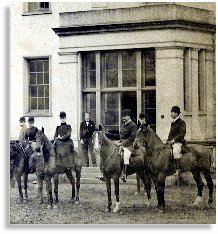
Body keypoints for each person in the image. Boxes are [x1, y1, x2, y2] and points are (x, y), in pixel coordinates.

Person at [167, 106, 187, 175]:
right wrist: (168, 140)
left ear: (176, 113)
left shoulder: (181, 122)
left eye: (172, 112)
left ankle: (178, 169)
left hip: (179, 142)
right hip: (172, 142)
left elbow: (182, 133)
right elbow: (170, 133)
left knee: (175, 152)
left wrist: (174, 140)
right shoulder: (172, 122)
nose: (171, 114)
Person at [25, 116, 39, 184]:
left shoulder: (36, 129)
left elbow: (38, 137)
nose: (30, 124)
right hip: (28, 144)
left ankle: (37, 178)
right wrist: (27, 142)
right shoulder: (27, 130)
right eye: (29, 123)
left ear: (33, 123)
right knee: (24, 154)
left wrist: (34, 142)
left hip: (34, 143)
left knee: (36, 158)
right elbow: (25, 138)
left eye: (31, 123)